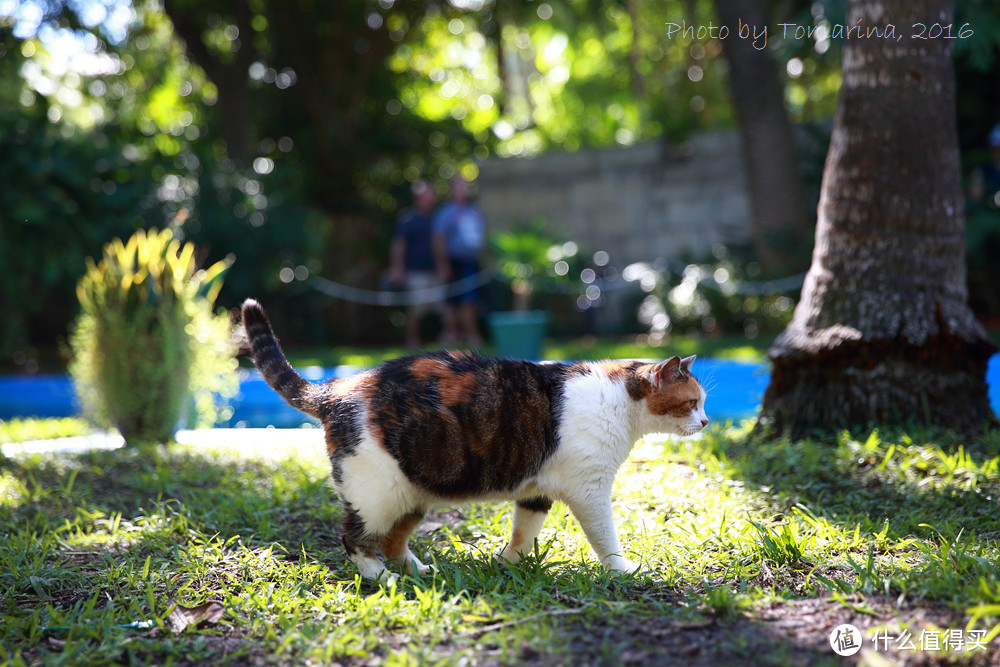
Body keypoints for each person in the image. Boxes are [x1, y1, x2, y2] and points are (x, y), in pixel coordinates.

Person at [389, 179, 449, 347]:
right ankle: (412, 340)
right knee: (416, 310)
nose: (430, 199)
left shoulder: (438, 219)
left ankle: (448, 338)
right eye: (426, 196)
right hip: (416, 272)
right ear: (418, 198)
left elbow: (441, 244)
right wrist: (397, 268)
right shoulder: (408, 219)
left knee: (444, 309)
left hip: (435, 272)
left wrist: (443, 266)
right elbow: (399, 245)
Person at [433, 177, 486, 346]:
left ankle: (464, 335)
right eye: (460, 187)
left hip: (472, 263)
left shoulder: (475, 211)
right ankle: (458, 335)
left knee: (470, 301)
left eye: (466, 187)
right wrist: (443, 264)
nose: (464, 190)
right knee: (455, 302)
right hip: (455, 262)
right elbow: (439, 239)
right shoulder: (446, 213)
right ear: (452, 190)